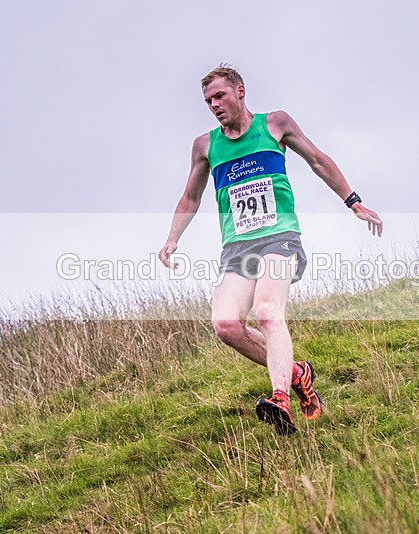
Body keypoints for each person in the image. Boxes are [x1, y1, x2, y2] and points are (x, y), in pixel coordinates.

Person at [158, 66, 383, 435]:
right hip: (237, 246)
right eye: (208, 101)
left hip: (280, 237)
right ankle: (296, 373)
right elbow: (191, 196)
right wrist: (172, 238)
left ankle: (281, 399)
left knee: (266, 311)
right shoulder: (205, 145)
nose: (214, 105)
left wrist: (353, 202)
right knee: (226, 325)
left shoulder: (275, 123)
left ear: (240, 91)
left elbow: (317, 159)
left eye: (219, 96)